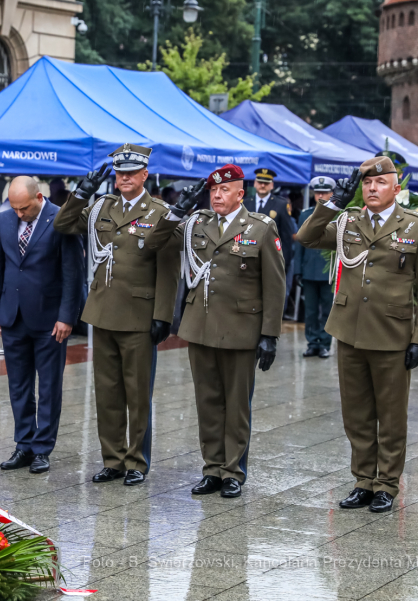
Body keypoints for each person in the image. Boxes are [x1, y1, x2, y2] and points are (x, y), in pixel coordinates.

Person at [296, 156, 418, 513]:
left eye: (380, 183)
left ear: (396, 188)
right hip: (350, 330)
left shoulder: (417, 227)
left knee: (391, 415)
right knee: (356, 413)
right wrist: (332, 205)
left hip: (392, 333)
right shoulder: (349, 220)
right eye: (367, 184)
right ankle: (363, 480)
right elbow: (307, 237)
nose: (372, 189)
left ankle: (386, 484)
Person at [146, 165, 284, 498]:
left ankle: (233, 471)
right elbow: (153, 242)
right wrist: (177, 210)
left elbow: (275, 284)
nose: (217, 195)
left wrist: (270, 334)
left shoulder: (261, 228)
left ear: (241, 193)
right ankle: (212, 468)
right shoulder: (197, 223)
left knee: (236, 403)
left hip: (241, 329)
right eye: (213, 191)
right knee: (207, 401)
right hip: (201, 326)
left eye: (224, 190)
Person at [53, 145, 180, 486]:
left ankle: (136, 460)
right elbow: (63, 224)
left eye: (130, 172)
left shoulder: (159, 212)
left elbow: (168, 267)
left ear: (144, 175)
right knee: (107, 392)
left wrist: (163, 315)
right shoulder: (100, 207)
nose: (123, 178)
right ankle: (113, 458)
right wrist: (81, 193)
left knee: (137, 394)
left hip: (139, 314)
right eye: (119, 172)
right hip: (103, 310)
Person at [0, 176, 82, 474]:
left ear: (39, 197)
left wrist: (67, 316)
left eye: (24, 208)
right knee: (19, 386)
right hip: (12, 316)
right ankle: (23, 445)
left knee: (49, 386)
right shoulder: (4, 220)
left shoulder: (60, 218)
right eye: (14, 208)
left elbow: (73, 272)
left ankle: (43, 449)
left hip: (49, 319)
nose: (19, 214)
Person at [294, 176, 336, 358]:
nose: (320, 195)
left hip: (328, 270)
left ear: (332, 194)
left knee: (327, 311)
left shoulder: (337, 214)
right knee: (310, 311)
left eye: (324, 192)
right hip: (309, 270)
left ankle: (325, 343)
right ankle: (312, 342)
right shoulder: (305, 214)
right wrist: (297, 270)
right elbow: (299, 246)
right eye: (317, 192)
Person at [250, 168, 296, 308]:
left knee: (270, 297)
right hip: (248, 257)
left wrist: (285, 261)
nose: (262, 185)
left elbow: (287, 236)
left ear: (272, 185)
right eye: (260, 182)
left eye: (266, 182)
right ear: (255, 183)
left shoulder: (281, 205)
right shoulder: (245, 203)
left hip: (271, 258)